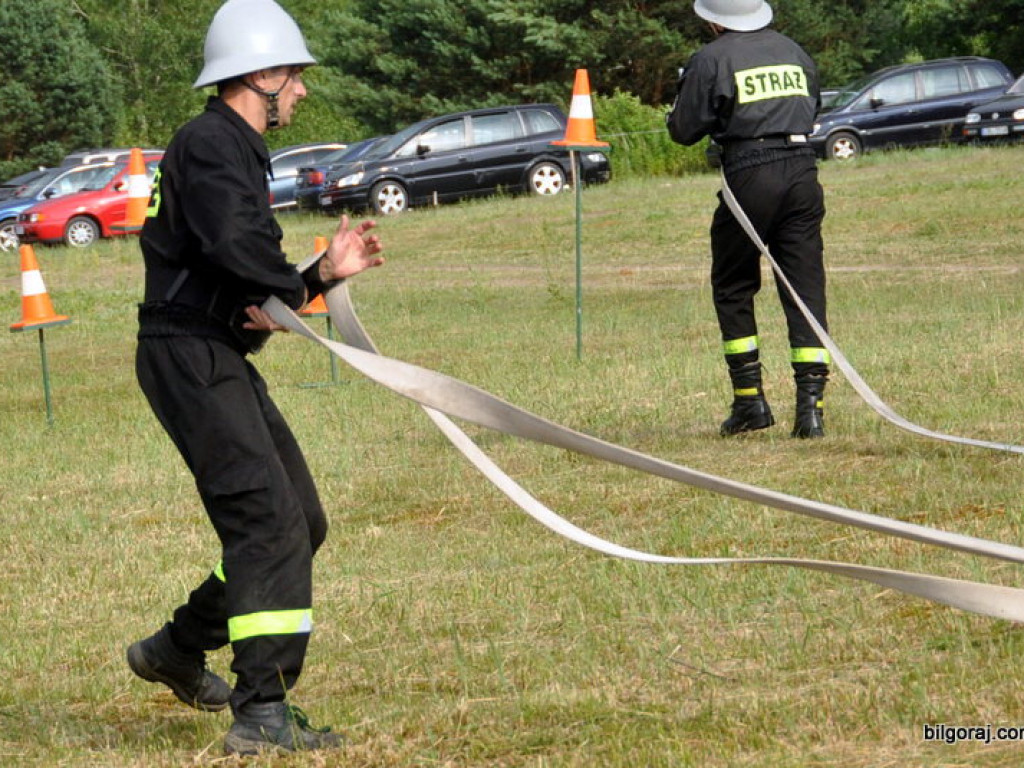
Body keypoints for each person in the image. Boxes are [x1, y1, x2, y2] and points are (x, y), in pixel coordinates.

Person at [126, 0, 384, 755]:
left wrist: (316, 278)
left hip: (211, 351)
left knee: (298, 522)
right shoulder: (210, 143)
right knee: (265, 525)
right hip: (187, 357)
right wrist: (302, 277)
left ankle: (176, 647)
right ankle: (262, 711)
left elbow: (248, 298)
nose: (301, 91)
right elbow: (243, 256)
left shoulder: (232, 150)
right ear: (261, 75)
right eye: (295, 77)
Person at [667, 0, 830, 438]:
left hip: (749, 173)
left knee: (734, 284)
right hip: (802, 172)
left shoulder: (711, 59)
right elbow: (811, 108)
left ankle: (750, 403)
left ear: (715, 20)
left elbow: (683, 130)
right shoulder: (794, 51)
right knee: (804, 287)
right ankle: (811, 411)